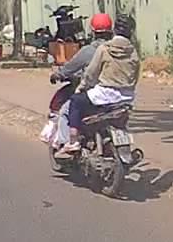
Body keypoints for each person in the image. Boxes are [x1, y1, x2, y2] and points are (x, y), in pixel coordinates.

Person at [57, 13, 140, 156]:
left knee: (75, 101)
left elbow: (91, 74)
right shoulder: (133, 52)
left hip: (104, 96)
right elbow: (135, 74)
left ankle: (73, 141)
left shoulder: (104, 49)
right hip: (127, 97)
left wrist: (81, 88)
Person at [42, 13, 114, 148]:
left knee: (66, 110)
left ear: (93, 31)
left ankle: (67, 143)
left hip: (95, 95)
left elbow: (70, 67)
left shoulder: (90, 51)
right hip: (119, 96)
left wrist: (58, 74)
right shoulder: (119, 50)